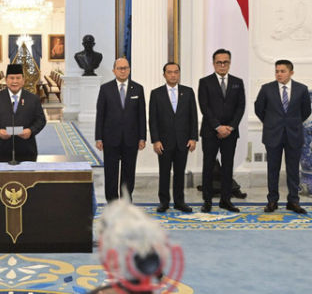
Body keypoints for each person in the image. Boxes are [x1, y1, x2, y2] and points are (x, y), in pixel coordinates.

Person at [254, 59, 311, 214]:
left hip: (294, 134)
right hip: (273, 135)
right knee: (273, 169)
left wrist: (292, 123)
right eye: (277, 71)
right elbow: (259, 108)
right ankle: (272, 201)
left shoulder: (301, 89)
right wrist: (271, 122)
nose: (279, 74)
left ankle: (293, 201)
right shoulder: (266, 89)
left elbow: (306, 111)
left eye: (282, 71)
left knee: (293, 170)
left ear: (291, 72)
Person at [198, 49, 245, 213]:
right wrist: (218, 126)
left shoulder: (238, 82)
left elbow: (241, 107)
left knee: (227, 166)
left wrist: (230, 127)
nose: (222, 65)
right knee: (208, 166)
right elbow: (205, 107)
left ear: (230, 63)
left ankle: (226, 200)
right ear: (213, 63)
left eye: (226, 62)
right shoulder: (204, 82)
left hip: (230, 133)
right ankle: (207, 201)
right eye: (219, 62)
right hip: (211, 132)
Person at [95, 58, 146, 202]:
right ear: (114, 70)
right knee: (111, 172)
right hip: (110, 138)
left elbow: (141, 115)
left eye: (125, 68)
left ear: (129, 70)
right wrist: (98, 137)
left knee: (128, 172)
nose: (123, 71)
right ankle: (112, 202)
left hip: (131, 138)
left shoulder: (138, 88)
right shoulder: (105, 88)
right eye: (120, 68)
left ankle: (126, 201)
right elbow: (100, 114)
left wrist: (142, 137)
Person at [149, 62, 198, 213]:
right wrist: (155, 140)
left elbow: (193, 117)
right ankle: (164, 202)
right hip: (163, 142)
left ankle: (179, 202)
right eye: (169, 72)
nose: (173, 75)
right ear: (164, 74)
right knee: (164, 173)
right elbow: (153, 119)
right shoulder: (156, 93)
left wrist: (193, 138)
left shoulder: (188, 92)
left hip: (183, 141)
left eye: (176, 72)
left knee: (179, 173)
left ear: (179, 74)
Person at [0, 64, 46, 162]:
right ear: (6, 80)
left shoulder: (33, 99)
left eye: (18, 78)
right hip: (1, 149)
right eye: (11, 78)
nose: (15, 81)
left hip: (27, 149)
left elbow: (41, 120)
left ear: (23, 80)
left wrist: (31, 131)